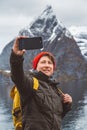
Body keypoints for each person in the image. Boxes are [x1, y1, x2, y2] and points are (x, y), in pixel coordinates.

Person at [10, 36, 72, 130]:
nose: (47, 65)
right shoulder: (30, 84)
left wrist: (67, 104)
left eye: (49, 63)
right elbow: (17, 75)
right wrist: (16, 56)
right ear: (36, 67)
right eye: (43, 62)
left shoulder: (56, 90)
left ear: (53, 68)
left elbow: (56, 116)